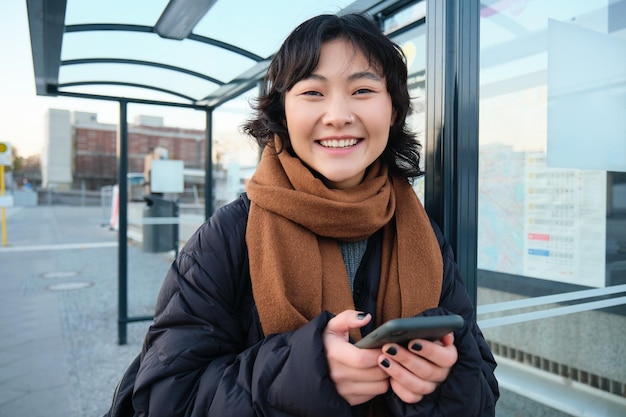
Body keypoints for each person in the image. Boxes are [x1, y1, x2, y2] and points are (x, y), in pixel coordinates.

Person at [131, 13, 498, 417]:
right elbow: (164, 399)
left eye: (362, 90)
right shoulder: (227, 236)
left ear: (393, 110)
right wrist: (299, 377)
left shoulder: (424, 233)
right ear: (282, 113)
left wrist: (441, 382)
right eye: (312, 93)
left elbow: (481, 391)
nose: (338, 115)